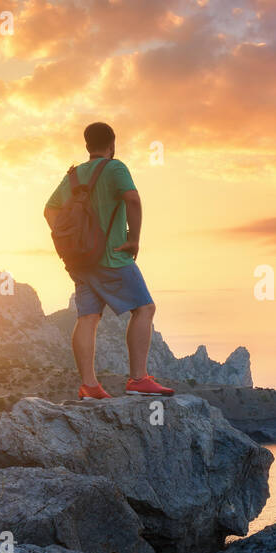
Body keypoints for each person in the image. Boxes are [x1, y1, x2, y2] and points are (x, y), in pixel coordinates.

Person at [43, 121, 174, 399]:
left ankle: (89, 386)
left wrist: (69, 244)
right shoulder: (115, 167)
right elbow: (133, 200)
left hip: (80, 261)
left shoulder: (74, 175)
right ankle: (138, 378)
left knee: (87, 317)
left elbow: (49, 211)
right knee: (144, 309)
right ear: (112, 145)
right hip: (112, 257)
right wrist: (134, 239)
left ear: (87, 145)